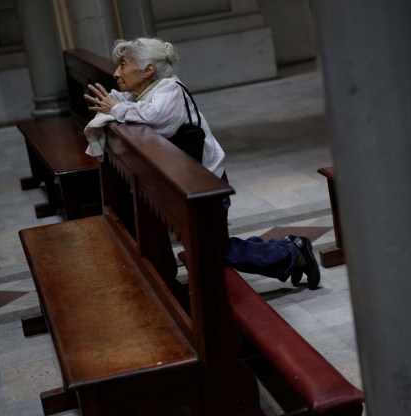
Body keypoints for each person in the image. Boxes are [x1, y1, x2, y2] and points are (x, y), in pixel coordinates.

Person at [83, 37, 320, 289]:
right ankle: (288, 249)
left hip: (206, 184)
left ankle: (293, 252)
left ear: (148, 70)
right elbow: (118, 102)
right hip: (186, 183)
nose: (116, 72)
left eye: (123, 64)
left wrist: (116, 108)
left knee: (214, 252)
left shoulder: (170, 89)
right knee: (212, 247)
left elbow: (155, 119)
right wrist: (115, 104)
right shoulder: (140, 92)